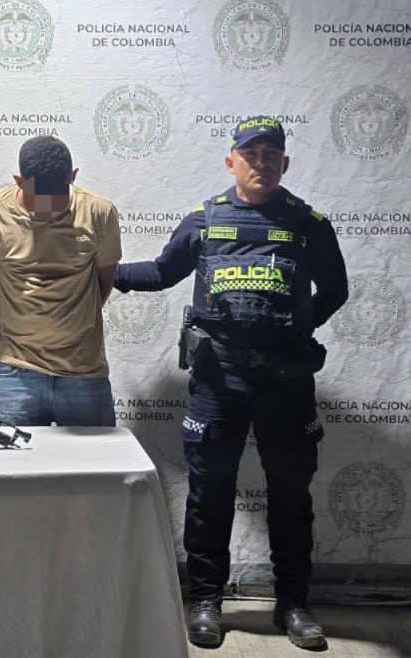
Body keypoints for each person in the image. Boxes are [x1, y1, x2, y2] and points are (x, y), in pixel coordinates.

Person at [114, 116, 348, 649]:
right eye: (250, 155)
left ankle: (293, 604)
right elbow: (163, 271)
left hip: (286, 382)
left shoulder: (307, 223)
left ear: (284, 164)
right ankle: (205, 600)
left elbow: (336, 289)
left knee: (291, 495)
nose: (260, 164)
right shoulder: (205, 220)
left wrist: (298, 327)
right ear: (231, 162)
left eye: (271, 156)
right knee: (209, 495)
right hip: (219, 382)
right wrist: (106, 272)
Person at [0, 136, 121, 427]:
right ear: (19, 181)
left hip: (84, 372)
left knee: (96, 458)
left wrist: (75, 317)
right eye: (38, 196)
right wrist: (12, 321)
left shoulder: (99, 213)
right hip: (17, 371)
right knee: (7, 457)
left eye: (57, 196)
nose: (49, 207)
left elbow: (104, 280)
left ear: (73, 177)